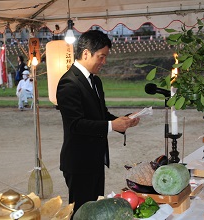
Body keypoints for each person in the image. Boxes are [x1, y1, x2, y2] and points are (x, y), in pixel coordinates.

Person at [56, 30, 140, 216]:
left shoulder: (95, 81)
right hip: (79, 162)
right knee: (82, 213)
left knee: (97, 211)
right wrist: (112, 126)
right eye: (101, 57)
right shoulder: (68, 83)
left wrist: (123, 121)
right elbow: (76, 125)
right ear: (86, 53)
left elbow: (101, 115)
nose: (104, 62)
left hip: (95, 159)